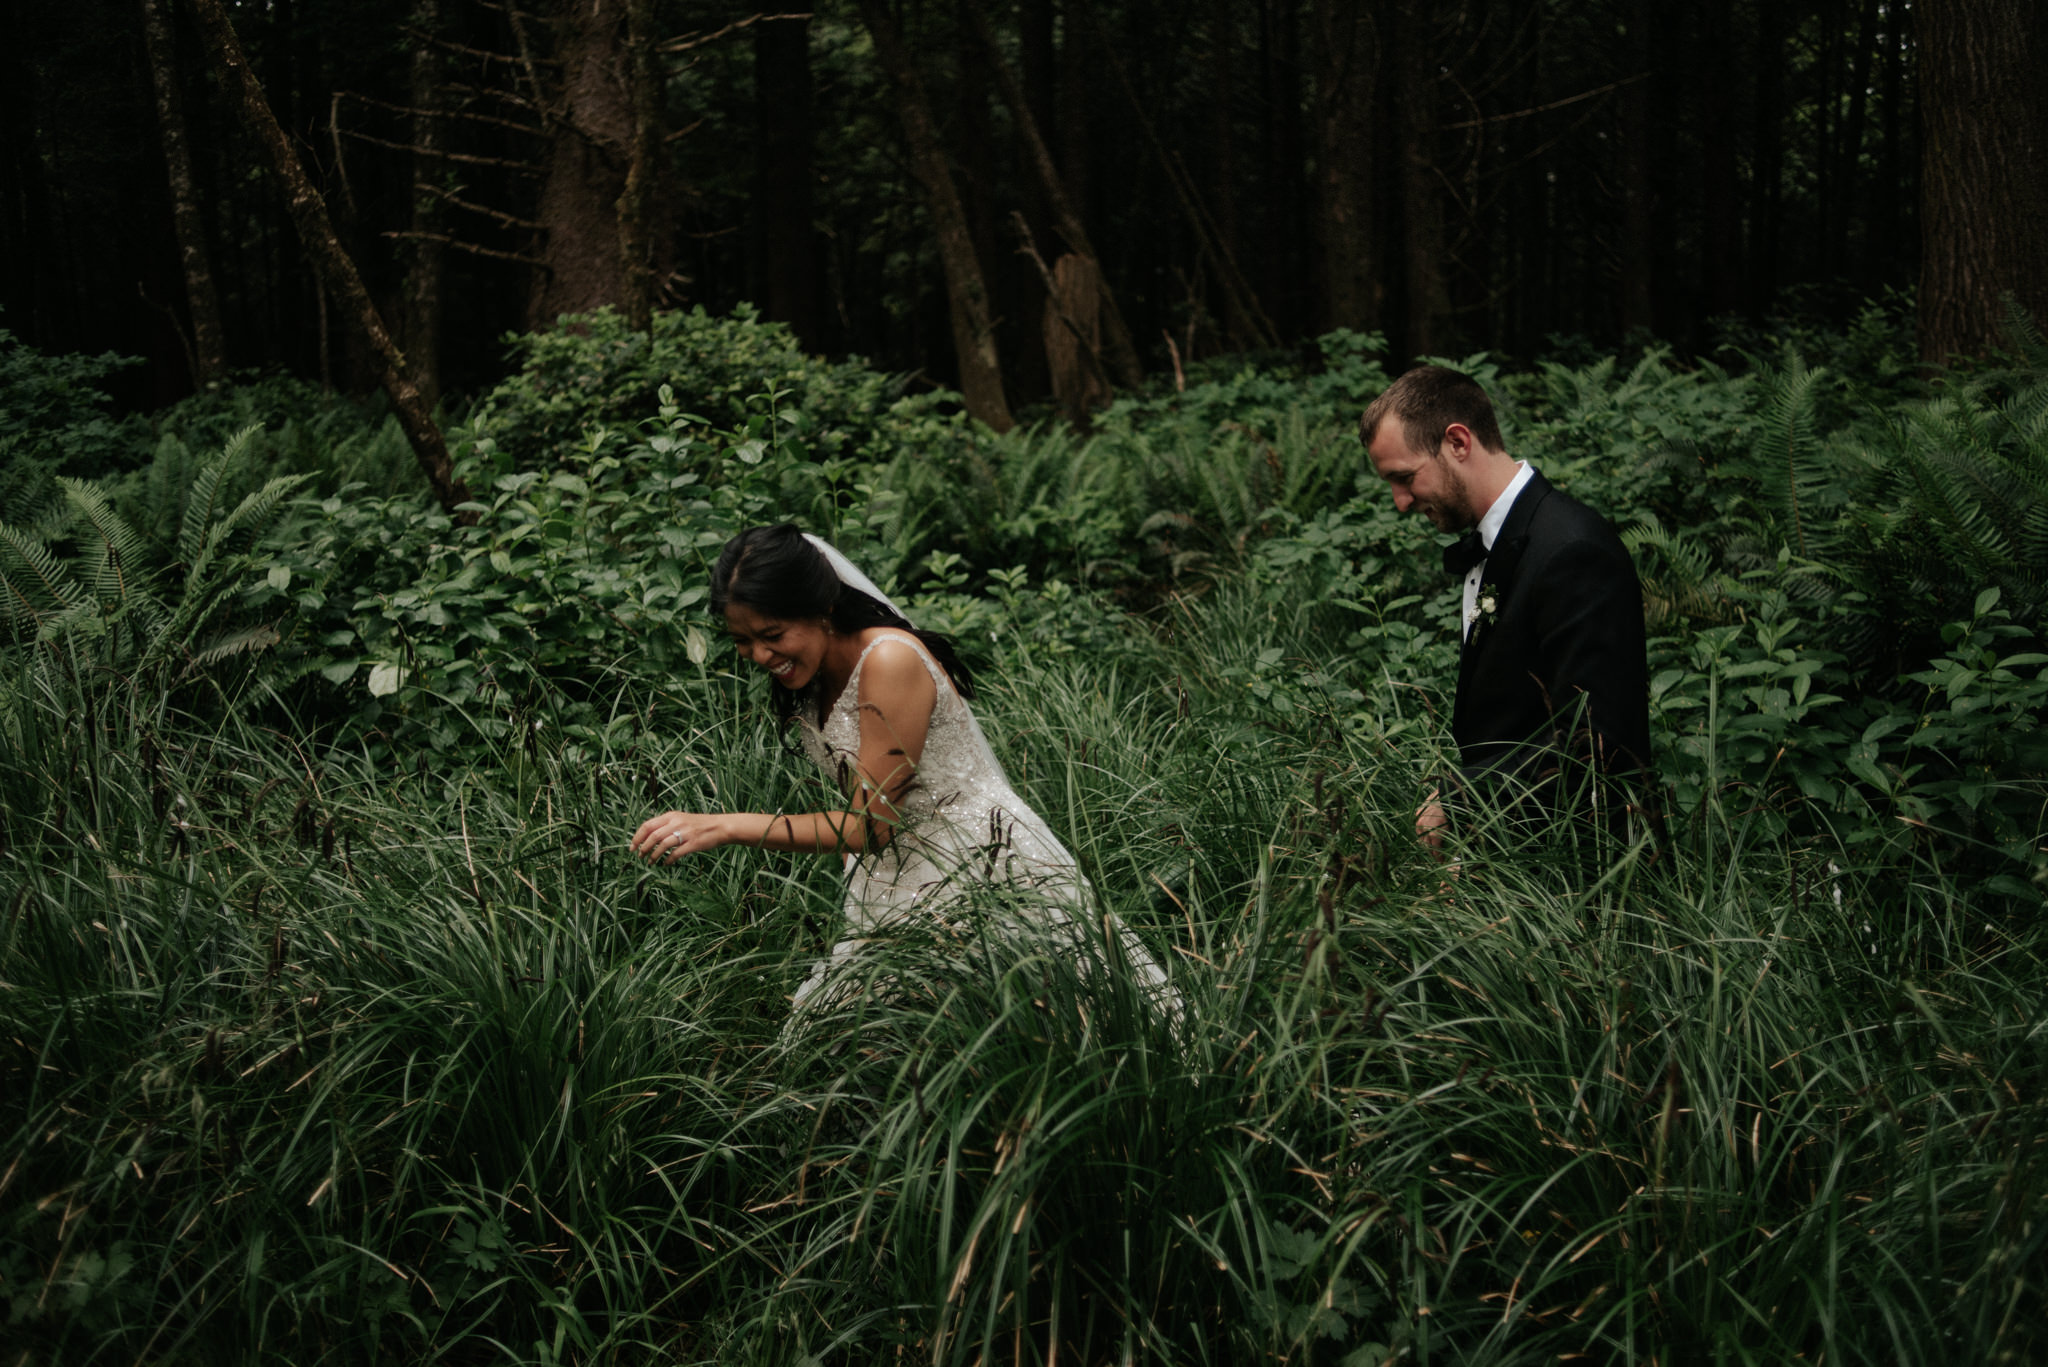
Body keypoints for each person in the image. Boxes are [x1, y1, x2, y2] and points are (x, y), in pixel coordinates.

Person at [629, 523, 1174, 1018]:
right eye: (743, 642)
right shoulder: (814, 671)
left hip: (981, 865)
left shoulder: (889, 662)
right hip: (894, 870)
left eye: (773, 635)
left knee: (1027, 1026)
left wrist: (723, 825)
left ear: (820, 609)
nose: (761, 655)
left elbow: (870, 825)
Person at [1360, 365, 1651, 850]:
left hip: (1583, 880)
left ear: (1457, 442)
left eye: (1405, 478)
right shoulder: (1502, 541)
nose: (1400, 502)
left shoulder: (1573, 551)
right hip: (1509, 861)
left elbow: (1597, 745)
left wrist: (1460, 801)